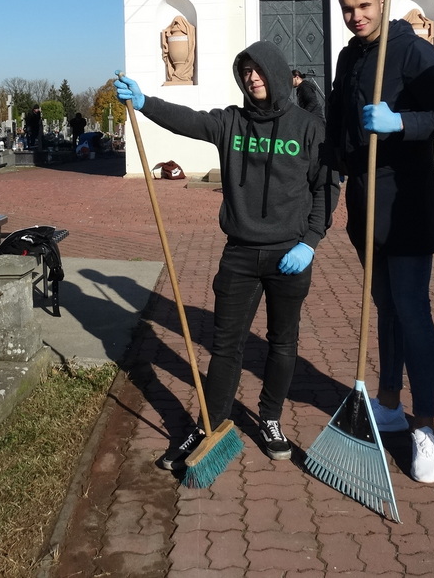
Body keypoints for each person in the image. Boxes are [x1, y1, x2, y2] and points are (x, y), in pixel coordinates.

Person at [114, 40, 334, 467]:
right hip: (240, 255)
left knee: (282, 342)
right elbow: (189, 120)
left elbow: (326, 187)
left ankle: (270, 418)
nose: (252, 78)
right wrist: (144, 103)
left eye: (259, 70)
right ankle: (210, 426)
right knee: (226, 346)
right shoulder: (231, 122)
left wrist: (310, 241)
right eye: (246, 71)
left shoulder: (309, 127)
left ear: (276, 72)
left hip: (290, 254)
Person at [324, 0, 434, 484]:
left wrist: (402, 123)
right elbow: (338, 125)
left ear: (382, 4)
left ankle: (425, 426)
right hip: (365, 202)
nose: (356, 16)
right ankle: (388, 402)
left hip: (406, 201)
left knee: (411, 309)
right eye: (347, 8)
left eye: (364, 6)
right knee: (383, 305)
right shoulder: (349, 56)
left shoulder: (412, 52)